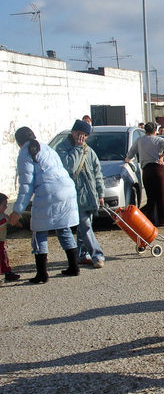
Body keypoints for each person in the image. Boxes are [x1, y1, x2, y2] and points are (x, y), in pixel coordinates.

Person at [9, 127, 80, 283]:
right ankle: (74, 267)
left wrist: (17, 210)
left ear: (19, 142)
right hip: (67, 190)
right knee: (64, 228)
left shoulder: (25, 152)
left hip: (48, 192)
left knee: (39, 231)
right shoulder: (46, 147)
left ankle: (42, 274)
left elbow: (26, 185)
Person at [56, 119, 106, 268]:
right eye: (79, 134)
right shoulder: (62, 149)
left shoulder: (89, 150)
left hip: (90, 195)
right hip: (73, 195)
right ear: (73, 132)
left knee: (84, 226)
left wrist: (100, 193)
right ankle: (97, 255)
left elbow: (97, 172)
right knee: (85, 226)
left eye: (85, 135)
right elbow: (70, 168)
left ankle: (82, 254)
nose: (81, 138)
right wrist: (77, 148)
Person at [125, 122, 164, 226]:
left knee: (150, 196)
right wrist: (162, 155)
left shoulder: (139, 140)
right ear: (155, 130)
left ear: (145, 130)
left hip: (147, 169)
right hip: (158, 168)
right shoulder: (158, 139)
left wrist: (127, 160)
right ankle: (163, 219)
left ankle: (151, 218)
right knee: (162, 195)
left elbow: (130, 154)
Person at [0, 193, 21, 282]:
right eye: (4, 205)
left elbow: (11, 221)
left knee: (4, 258)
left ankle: (8, 273)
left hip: (1, 241)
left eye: (6, 204)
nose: (6, 207)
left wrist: (17, 223)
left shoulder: (3, 215)